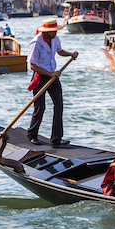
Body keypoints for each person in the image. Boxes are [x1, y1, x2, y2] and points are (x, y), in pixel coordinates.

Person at [27, 17, 78, 148]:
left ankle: (56, 138)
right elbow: (32, 66)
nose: (56, 32)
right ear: (46, 31)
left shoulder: (55, 38)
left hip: (53, 75)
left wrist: (70, 54)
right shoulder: (36, 43)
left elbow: (59, 51)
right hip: (40, 76)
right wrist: (50, 74)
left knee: (59, 105)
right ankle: (32, 135)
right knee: (40, 108)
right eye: (53, 31)